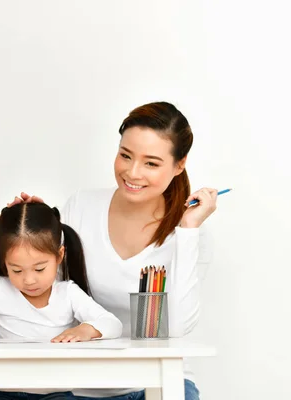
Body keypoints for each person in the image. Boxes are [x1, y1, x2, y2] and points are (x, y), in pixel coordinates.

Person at [14, 101, 216, 399]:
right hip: (76, 384)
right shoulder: (81, 207)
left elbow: (178, 327)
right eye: (125, 156)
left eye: (151, 163)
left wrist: (187, 232)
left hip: (155, 382)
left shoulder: (190, 232)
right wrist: (32, 237)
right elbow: (39, 298)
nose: (132, 173)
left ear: (179, 164)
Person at [0, 202, 123, 400]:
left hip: (57, 394)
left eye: (39, 269)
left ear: (59, 256)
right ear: (4, 262)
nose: (28, 280)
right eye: (17, 270)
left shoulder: (68, 293)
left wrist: (86, 330)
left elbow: (112, 324)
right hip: (3, 393)